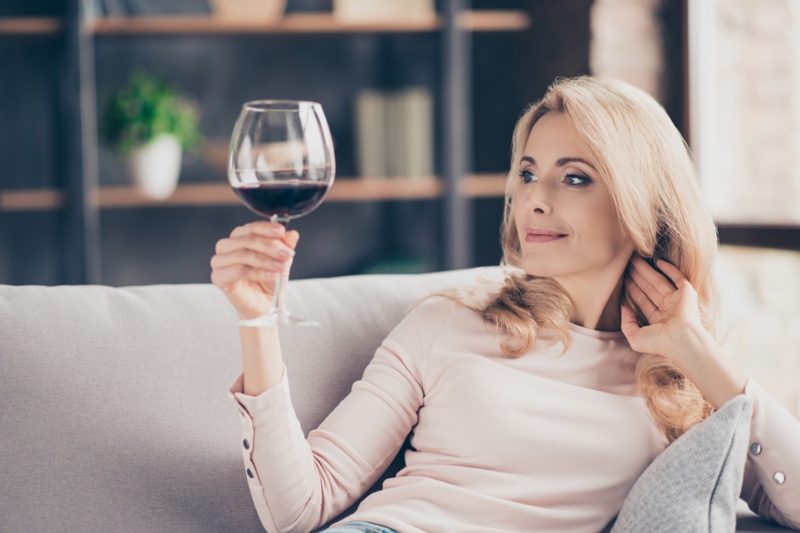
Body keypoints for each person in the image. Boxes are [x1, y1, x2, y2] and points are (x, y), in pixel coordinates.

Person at [210, 76, 800, 533]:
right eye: (527, 173)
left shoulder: (680, 387)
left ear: (641, 207)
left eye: (574, 179)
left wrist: (693, 350)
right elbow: (298, 506)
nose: (534, 201)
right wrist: (257, 317)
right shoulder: (446, 321)